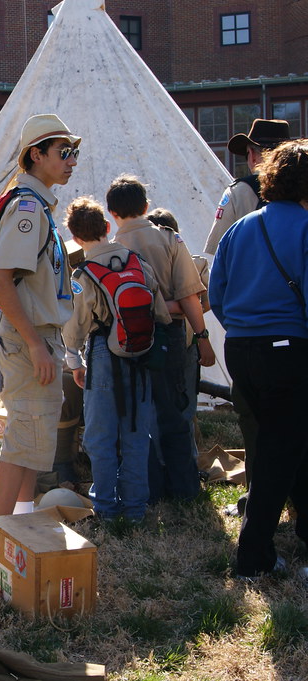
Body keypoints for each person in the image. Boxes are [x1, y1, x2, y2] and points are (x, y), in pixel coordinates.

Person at [210, 139, 308, 581]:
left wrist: (246, 326)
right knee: (279, 453)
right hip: (288, 348)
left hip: (242, 349)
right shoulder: (305, 228)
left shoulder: (241, 226)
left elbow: (218, 293)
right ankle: (253, 556)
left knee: (283, 445)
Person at [0, 113, 79, 518]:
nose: (71, 159)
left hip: (40, 336)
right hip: (31, 337)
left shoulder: (40, 205)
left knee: (33, 434)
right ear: (36, 155)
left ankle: (20, 521)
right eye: (63, 151)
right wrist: (34, 344)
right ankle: (0, 536)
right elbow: (2, 280)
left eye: (74, 151)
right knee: (24, 433)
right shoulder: (28, 208)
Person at [202, 119, 291, 517]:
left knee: (254, 419)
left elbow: (215, 255)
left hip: (251, 326)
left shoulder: (240, 193)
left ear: (256, 154)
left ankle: (259, 498)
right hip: (295, 325)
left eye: (250, 151)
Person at [62, 197, 170, 522]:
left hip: (102, 354)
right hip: (139, 354)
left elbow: (74, 324)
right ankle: (135, 509)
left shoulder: (81, 276)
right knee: (136, 434)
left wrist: (73, 360)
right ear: (107, 227)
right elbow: (160, 312)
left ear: (76, 238)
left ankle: (106, 509)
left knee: (100, 436)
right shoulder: (137, 262)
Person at [108, 175, 215, 504]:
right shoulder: (170, 240)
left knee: (132, 420)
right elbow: (189, 294)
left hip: (122, 340)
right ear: (145, 206)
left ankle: (146, 490)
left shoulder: (107, 249)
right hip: (167, 336)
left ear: (111, 212)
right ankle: (183, 489)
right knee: (172, 413)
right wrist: (202, 337)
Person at [148, 207, 210, 464]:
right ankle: (182, 465)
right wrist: (184, 305)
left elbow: (204, 301)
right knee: (180, 406)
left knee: (175, 405)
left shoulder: (194, 263)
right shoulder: (192, 263)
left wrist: (168, 304)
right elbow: (199, 302)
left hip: (176, 342)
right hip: (175, 340)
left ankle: (179, 464)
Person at [204, 119, 292, 256]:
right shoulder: (302, 187)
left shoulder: (238, 191)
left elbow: (219, 248)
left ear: (251, 155)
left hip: (252, 275)